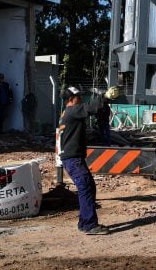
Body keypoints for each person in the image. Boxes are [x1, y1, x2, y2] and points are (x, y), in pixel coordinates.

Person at [59, 86, 116, 235]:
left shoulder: (68, 113)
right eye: (79, 97)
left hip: (73, 158)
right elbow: (91, 108)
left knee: (88, 187)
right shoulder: (72, 111)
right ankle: (90, 225)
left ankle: (85, 223)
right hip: (73, 159)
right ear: (71, 99)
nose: (81, 99)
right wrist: (105, 98)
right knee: (85, 187)